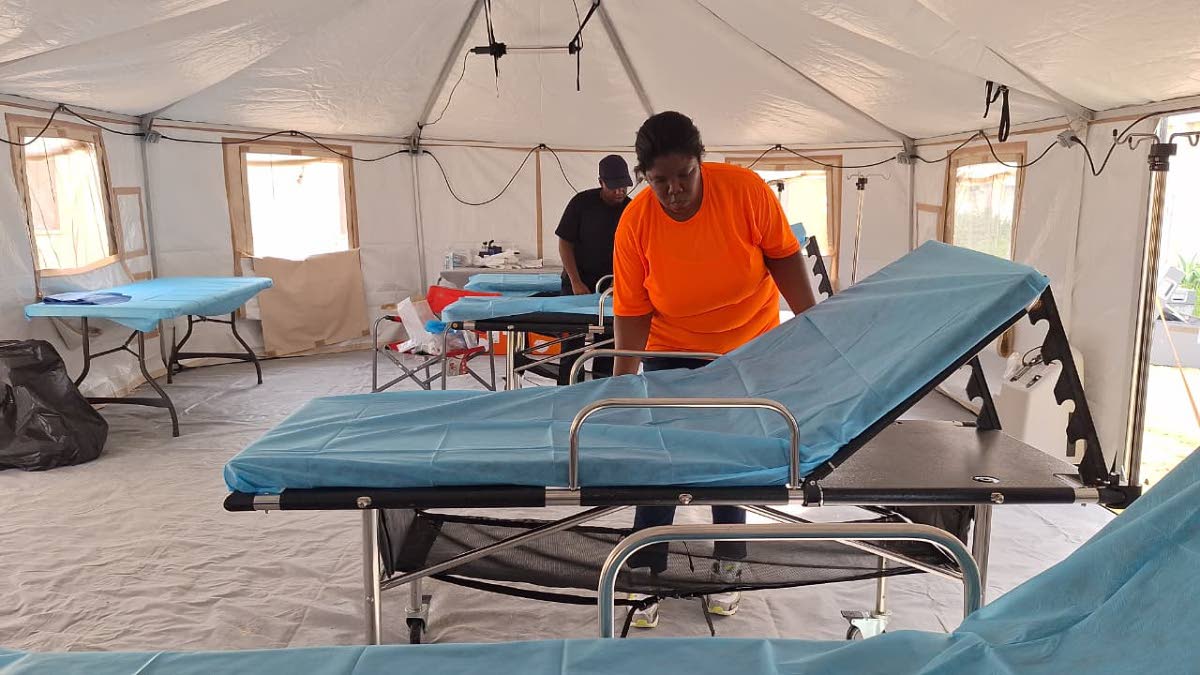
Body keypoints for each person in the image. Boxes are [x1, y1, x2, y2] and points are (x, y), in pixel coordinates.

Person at [611, 111, 818, 628]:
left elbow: (785, 257)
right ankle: (647, 574)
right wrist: (619, 385)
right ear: (644, 177)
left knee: (735, 459)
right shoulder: (636, 222)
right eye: (660, 181)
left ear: (702, 162)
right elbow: (632, 311)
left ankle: (728, 567)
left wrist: (815, 329)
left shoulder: (744, 190)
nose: (675, 190)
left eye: (685, 175)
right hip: (672, 349)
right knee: (665, 462)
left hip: (748, 346)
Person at [552, 154, 632, 383]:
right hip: (578, 282)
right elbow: (565, 242)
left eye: (624, 187)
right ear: (601, 182)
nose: (620, 192)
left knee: (608, 345)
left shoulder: (631, 209)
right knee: (572, 345)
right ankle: (567, 393)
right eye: (614, 187)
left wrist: (622, 280)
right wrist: (576, 281)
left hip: (611, 285)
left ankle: (601, 395)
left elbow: (635, 250)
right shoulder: (581, 203)